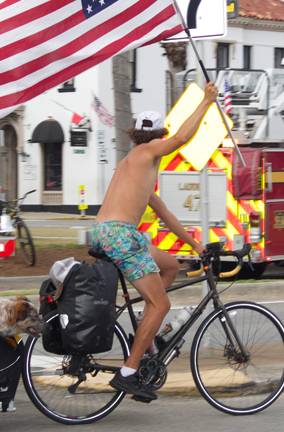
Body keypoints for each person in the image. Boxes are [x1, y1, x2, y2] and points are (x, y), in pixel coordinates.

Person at [92, 81, 218, 401]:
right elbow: (181, 138)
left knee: (170, 265)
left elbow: (166, 215)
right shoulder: (147, 152)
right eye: (164, 137)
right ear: (159, 135)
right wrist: (205, 102)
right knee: (160, 303)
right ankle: (129, 372)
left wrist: (197, 246)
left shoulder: (140, 165)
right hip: (120, 234)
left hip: (114, 233)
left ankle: (148, 337)